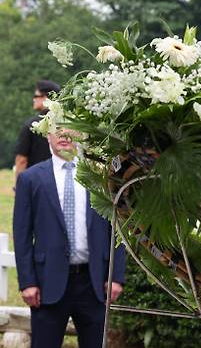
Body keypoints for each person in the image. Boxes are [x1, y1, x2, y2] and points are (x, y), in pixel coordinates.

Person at [13, 129, 126, 348]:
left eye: (70, 130)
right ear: (48, 136)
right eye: (57, 130)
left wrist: (116, 276)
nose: (64, 135)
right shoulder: (30, 179)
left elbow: (117, 229)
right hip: (47, 284)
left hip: (93, 283)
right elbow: (22, 235)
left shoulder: (100, 177)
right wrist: (27, 282)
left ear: (81, 134)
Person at [14, 80, 61, 180]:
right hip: (59, 180)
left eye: (36, 96)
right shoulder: (66, 124)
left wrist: (18, 186)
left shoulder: (30, 125)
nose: (33, 99)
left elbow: (21, 160)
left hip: (35, 181)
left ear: (45, 98)